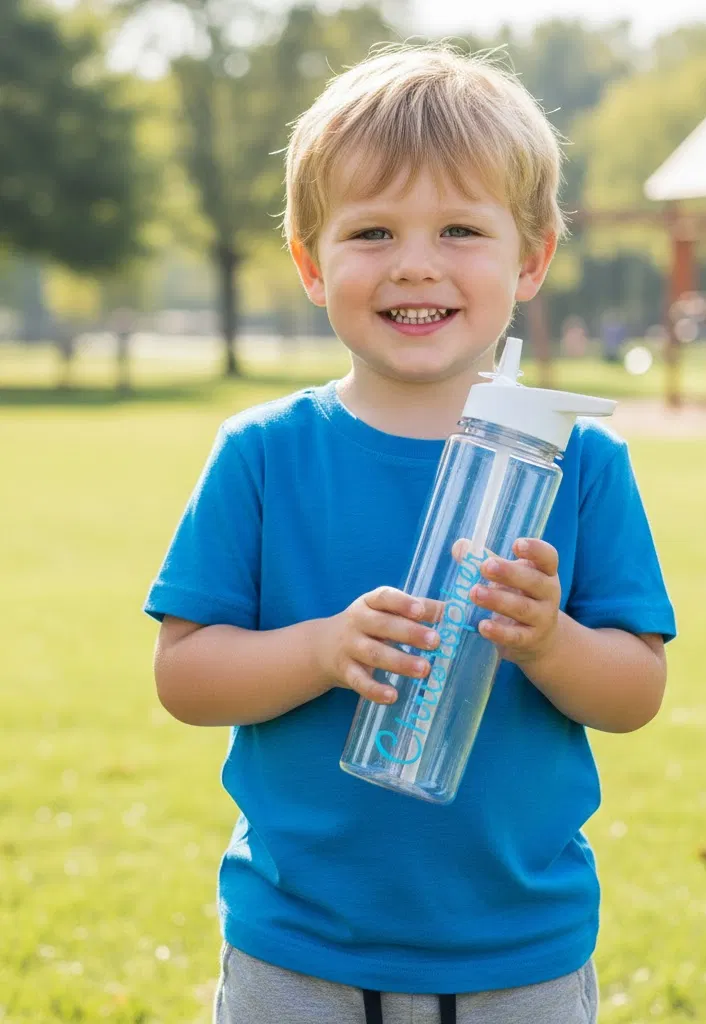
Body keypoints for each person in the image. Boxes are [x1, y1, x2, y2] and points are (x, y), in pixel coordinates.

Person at [143, 43, 676, 1024]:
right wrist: (321, 648)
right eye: (374, 230)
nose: (416, 263)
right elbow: (184, 675)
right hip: (296, 949)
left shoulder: (582, 462)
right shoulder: (263, 454)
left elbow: (636, 690)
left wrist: (551, 642)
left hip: (519, 951)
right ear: (311, 263)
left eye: (461, 229)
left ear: (532, 258)